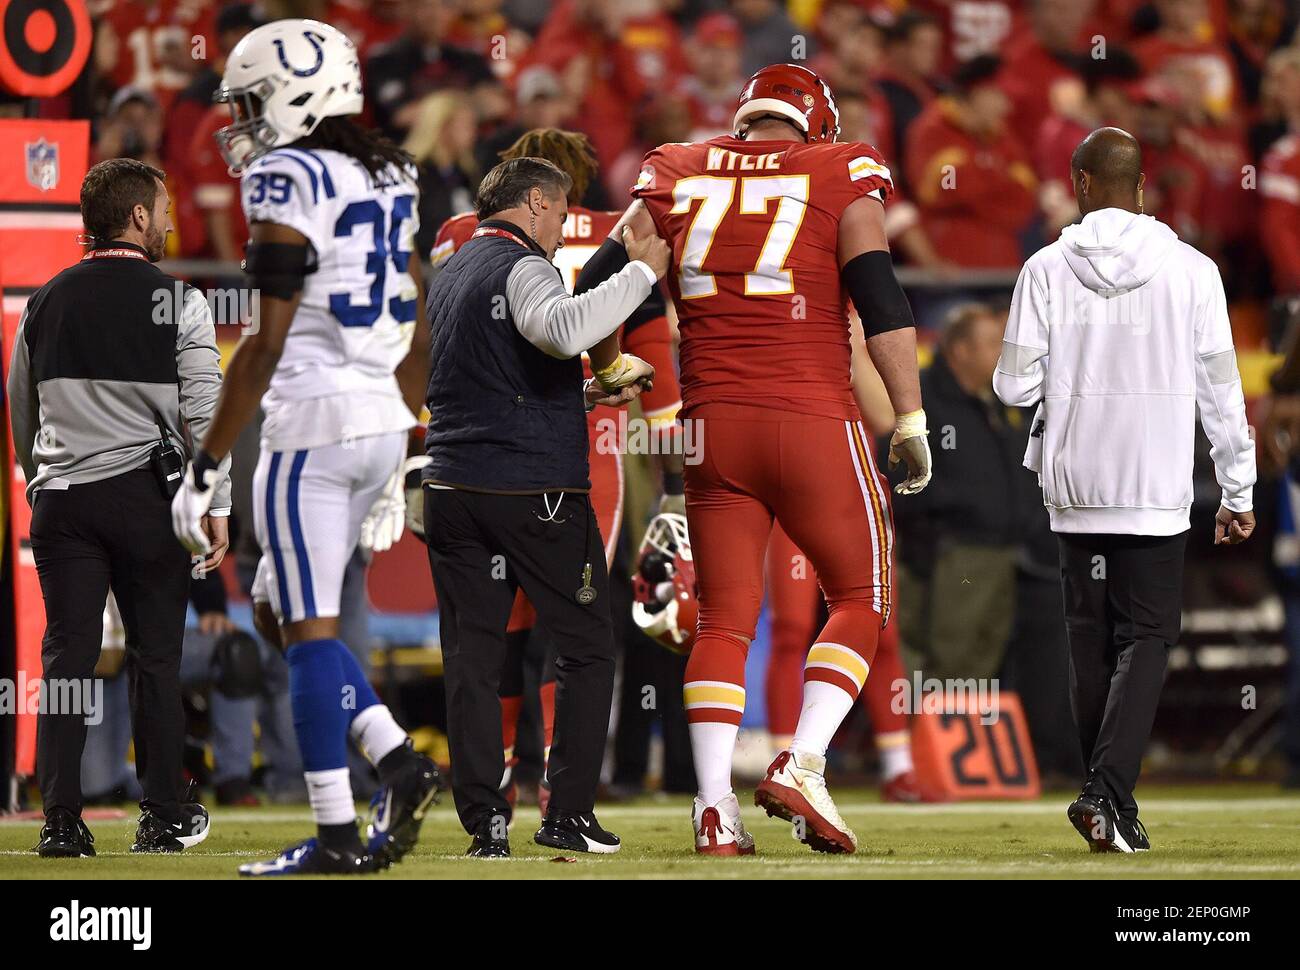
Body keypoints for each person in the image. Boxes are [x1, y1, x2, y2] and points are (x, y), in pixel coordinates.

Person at [600, 62, 932, 855]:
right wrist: (912, 416)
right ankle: (805, 760)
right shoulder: (838, 167)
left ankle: (714, 810)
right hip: (811, 415)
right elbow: (880, 297)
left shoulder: (677, 165)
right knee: (863, 593)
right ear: (815, 124)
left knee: (722, 619)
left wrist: (609, 362)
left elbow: (605, 276)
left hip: (711, 425)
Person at [169, 19, 442, 877]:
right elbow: (419, 316)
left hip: (313, 425)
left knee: (311, 626)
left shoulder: (286, 174)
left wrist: (205, 468)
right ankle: (396, 759)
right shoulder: (392, 170)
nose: (244, 119)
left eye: (252, 99)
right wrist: (405, 435)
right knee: (280, 611)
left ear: (295, 93)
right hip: (376, 418)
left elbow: (263, 345)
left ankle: (332, 833)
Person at [994, 127, 1256, 852]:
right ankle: (1105, 793)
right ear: (1142, 186)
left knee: (1090, 641)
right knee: (1147, 637)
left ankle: (1111, 803)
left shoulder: (1044, 269)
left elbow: (1012, 382)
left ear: (1080, 182)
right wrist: (1239, 487)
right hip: (1155, 483)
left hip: (1075, 481)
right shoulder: (1194, 269)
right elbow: (1222, 392)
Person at [428, 127, 685, 817]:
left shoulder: (458, 238)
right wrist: (677, 479)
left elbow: (445, 355)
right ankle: (563, 790)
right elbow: (649, 363)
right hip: (568, 460)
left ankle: (492, 796)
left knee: (490, 642)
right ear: (548, 194)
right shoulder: (611, 234)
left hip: (461, 455)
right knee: (575, 633)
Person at [7, 157, 225, 856]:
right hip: (145, 500)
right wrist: (211, 501)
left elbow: (20, 405)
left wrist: (42, 479)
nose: (169, 221)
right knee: (156, 657)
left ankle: (60, 823)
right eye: (162, 208)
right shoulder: (180, 300)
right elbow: (205, 411)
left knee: (67, 659)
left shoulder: (46, 299)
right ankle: (162, 813)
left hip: (64, 501)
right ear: (137, 216)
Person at [893, 303, 1027, 682]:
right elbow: (901, 476)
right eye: (991, 344)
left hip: (1001, 553)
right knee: (947, 662)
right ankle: (922, 738)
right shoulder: (921, 402)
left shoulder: (996, 402)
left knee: (983, 663)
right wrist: (953, 513)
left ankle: (962, 737)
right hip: (954, 554)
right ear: (961, 350)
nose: (1002, 352)